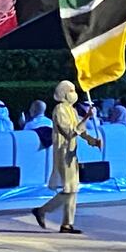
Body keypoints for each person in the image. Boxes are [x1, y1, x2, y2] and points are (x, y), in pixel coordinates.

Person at [32, 81, 102, 234]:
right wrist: (87, 118)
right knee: (69, 189)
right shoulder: (59, 110)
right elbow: (69, 132)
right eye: (70, 90)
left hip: (72, 154)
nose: (73, 93)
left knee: (73, 189)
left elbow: (81, 131)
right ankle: (43, 210)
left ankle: (67, 224)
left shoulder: (72, 110)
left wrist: (92, 141)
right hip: (63, 154)